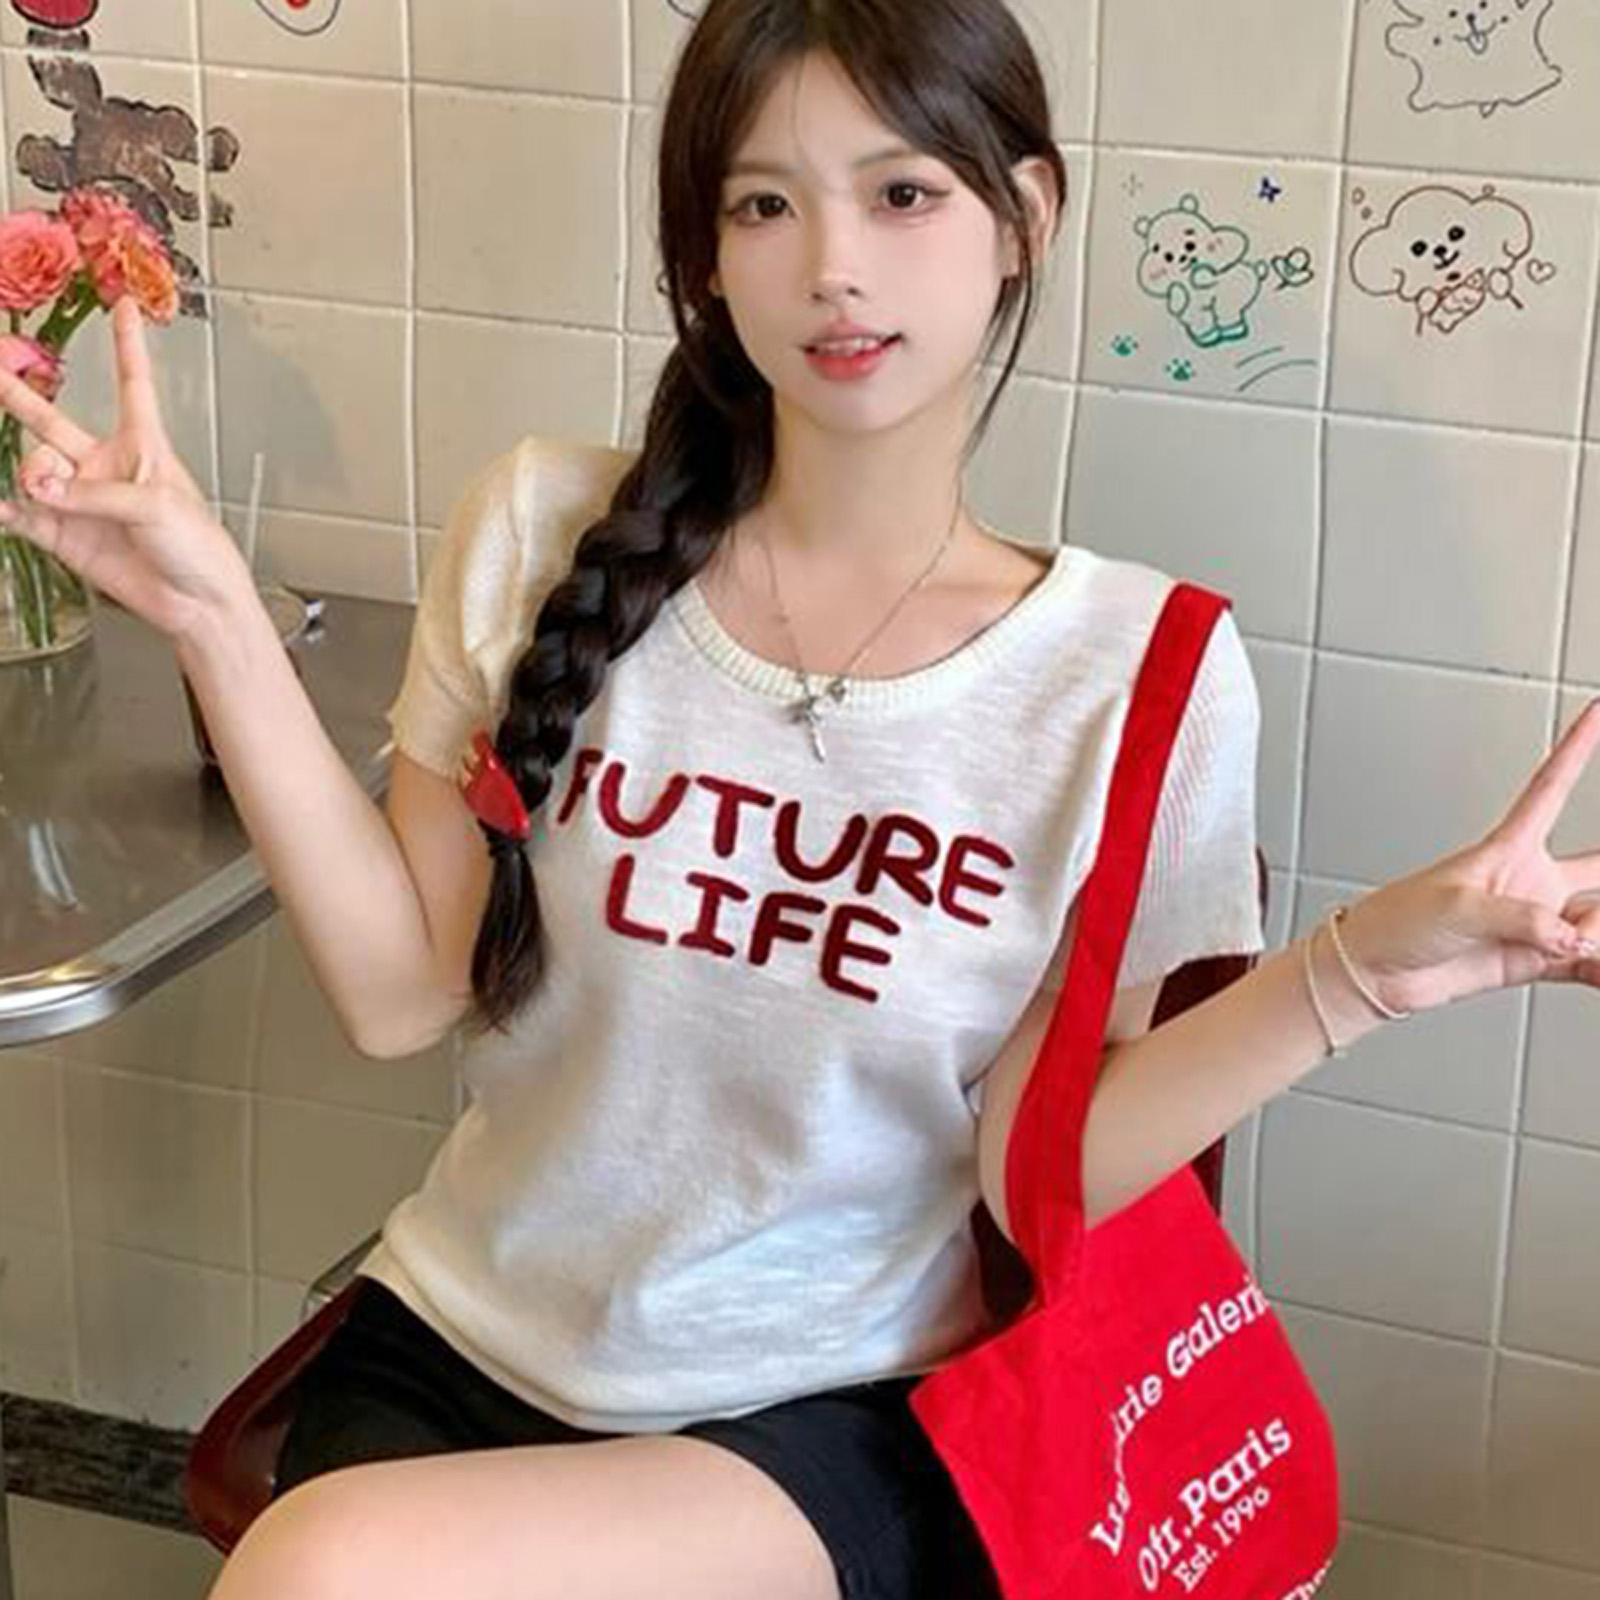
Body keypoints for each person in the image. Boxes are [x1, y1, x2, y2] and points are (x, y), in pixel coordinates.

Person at [1, 0, 1596, 1595]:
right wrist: (212, 613)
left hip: (834, 1408)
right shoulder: (544, 530)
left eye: (903, 194)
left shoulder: (1131, 673)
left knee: (328, 1569)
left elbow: (1030, 1171)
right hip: (467, 1341)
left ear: (1024, 218)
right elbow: (396, 994)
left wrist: (1364, 975)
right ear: (705, 255)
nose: (835, 265)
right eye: (765, 204)